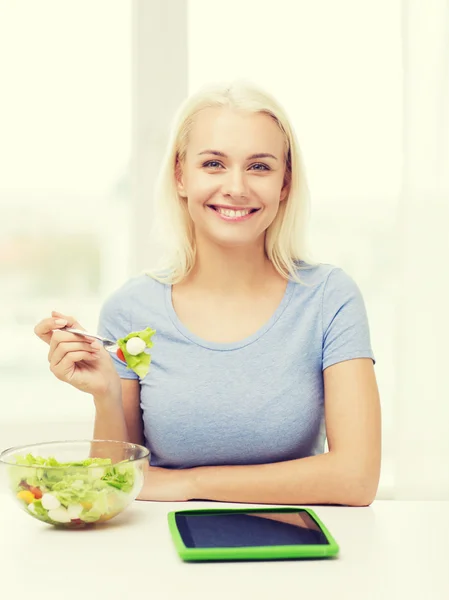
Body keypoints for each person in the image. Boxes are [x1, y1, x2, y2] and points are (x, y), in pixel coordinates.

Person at [34, 81, 381, 506]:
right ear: (181, 176)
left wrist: (189, 484)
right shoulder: (130, 310)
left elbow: (357, 478)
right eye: (214, 164)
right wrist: (105, 394)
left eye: (259, 167)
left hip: (294, 552)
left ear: (285, 184)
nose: (236, 187)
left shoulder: (329, 298)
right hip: (159, 548)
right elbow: (114, 484)